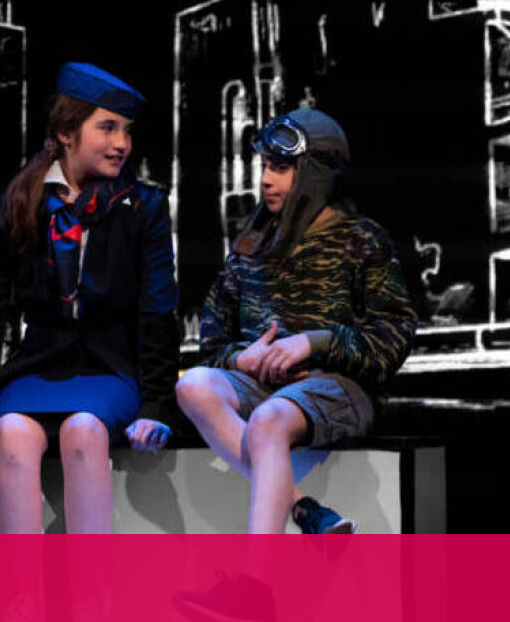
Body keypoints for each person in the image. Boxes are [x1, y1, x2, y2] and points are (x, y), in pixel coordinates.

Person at [0, 62, 179, 536]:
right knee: (11, 433)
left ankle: (90, 583)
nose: (122, 143)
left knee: (83, 430)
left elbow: (157, 311)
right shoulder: (11, 201)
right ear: (65, 131)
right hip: (39, 364)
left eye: (127, 131)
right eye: (107, 128)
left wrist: (155, 405)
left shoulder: (144, 208)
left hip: (109, 367)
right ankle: (20, 584)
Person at [175, 108, 418, 536]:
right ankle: (304, 509)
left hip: (338, 388)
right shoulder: (249, 247)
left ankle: (259, 574)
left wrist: (314, 343)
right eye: (265, 166)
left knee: (269, 420)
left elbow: (392, 340)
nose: (266, 180)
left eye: (281, 168)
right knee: (192, 385)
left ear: (315, 173)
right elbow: (211, 347)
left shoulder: (361, 239)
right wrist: (242, 360)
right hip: (261, 387)